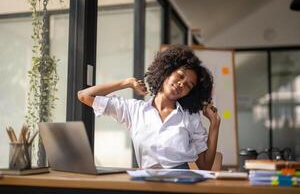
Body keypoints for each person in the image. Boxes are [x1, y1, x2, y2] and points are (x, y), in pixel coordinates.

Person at [77, 45, 221, 170]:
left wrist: (214, 125)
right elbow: (84, 95)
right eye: (180, 76)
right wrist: (127, 83)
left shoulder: (190, 117)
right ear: (167, 71)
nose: (182, 84)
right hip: (147, 181)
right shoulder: (134, 110)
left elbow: (205, 166)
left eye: (189, 85)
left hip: (181, 183)